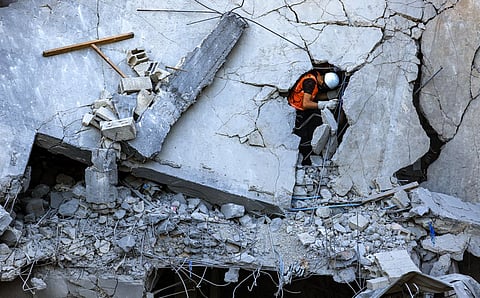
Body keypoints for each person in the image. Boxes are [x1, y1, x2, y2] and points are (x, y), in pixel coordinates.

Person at [288, 70, 340, 165]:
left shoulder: (317, 75)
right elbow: (306, 103)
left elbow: (314, 95)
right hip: (296, 108)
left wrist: (329, 96)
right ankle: (303, 158)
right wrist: (324, 104)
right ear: (323, 84)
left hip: (301, 107)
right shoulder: (310, 83)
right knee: (303, 133)